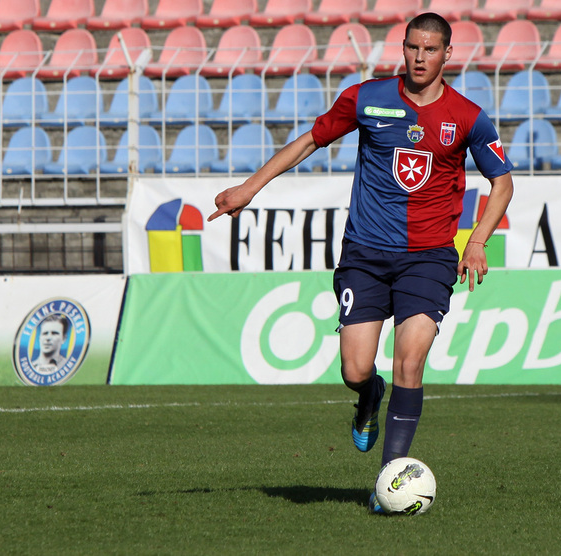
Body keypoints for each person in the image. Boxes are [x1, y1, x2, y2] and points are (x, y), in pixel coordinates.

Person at [207, 13, 514, 510]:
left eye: (430, 49)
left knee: (410, 359)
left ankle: (387, 480)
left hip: (429, 258)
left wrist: (477, 240)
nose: (419, 57)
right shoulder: (367, 98)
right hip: (365, 255)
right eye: (412, 47)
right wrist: (249, 188)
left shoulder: (468, 116)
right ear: (403, 47)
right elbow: (310, 140)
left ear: (447, 54)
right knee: (354, 368)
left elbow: (502, 182)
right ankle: (369, 394)